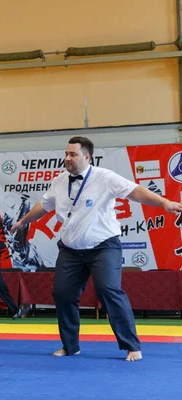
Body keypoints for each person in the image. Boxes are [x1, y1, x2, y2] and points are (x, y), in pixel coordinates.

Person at [11, 136, 182, 362]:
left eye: (73, 154)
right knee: (62, 294)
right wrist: (23, 221)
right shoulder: (59, 181)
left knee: (109, 290)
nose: (67, 158)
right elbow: (44, 206)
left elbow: (136, 191)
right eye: (66, 154)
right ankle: (70, 346)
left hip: (104, 247)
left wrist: (163, 203)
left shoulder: (105, 178)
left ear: (87, 157)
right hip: (71, 250)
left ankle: (131, 345)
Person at [0, 207, 30, 319]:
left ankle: (15, 309)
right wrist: (4, 245)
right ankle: (15, 309)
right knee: (0, 288)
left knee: (1, 288)